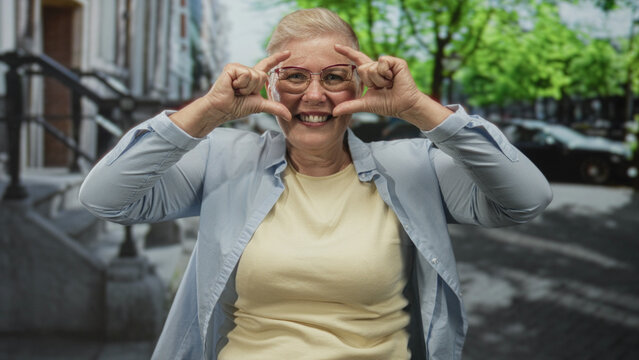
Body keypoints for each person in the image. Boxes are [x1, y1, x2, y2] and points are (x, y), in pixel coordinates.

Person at [79, 8, 552, 360]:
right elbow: (105, 198)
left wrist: (418, 108)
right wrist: (208, 111)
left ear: (359, 85)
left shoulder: (414, 167)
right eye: (294, 77)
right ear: (269, 85)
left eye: (334, 76)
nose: (314, 94)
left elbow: (526, 200)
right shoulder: (225, 160)